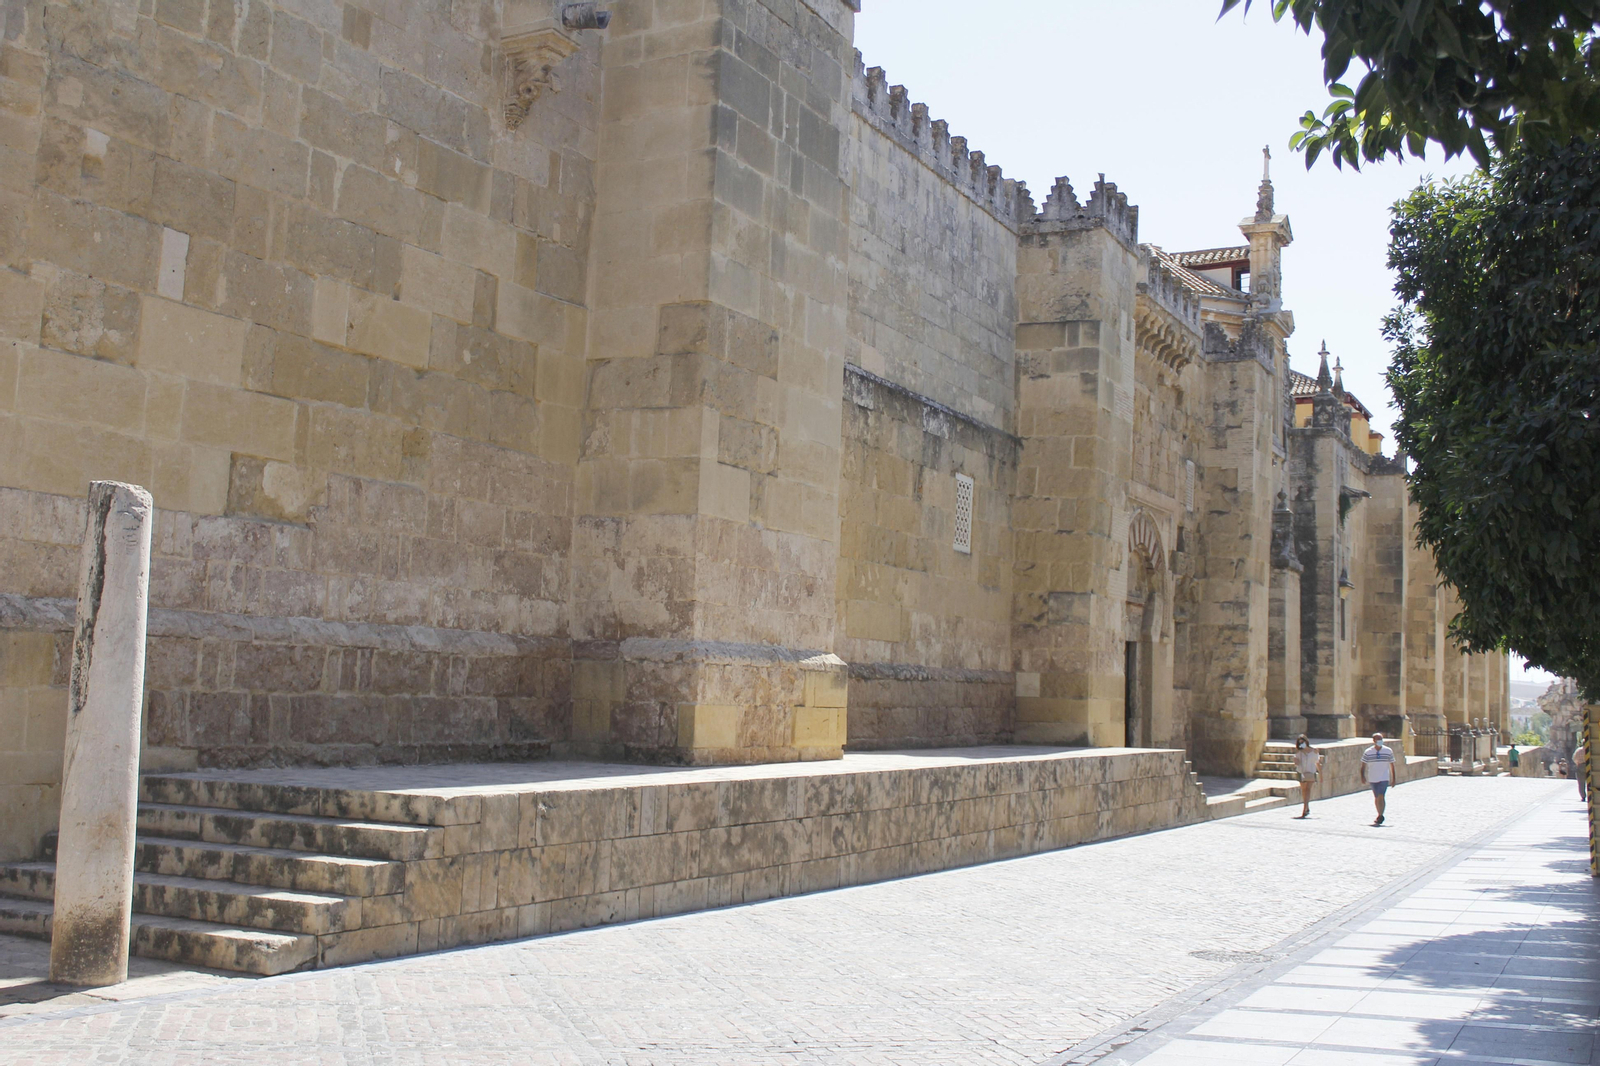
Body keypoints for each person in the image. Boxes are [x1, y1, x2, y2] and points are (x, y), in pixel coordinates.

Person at [1359, 732, 1399, 826]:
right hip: (1373, 777)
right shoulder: (1368, 752)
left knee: (1381, 795)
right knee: (1377, 797)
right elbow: (1363, 765)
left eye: (1381, 739)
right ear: (1374, 741)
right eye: (1378, 739)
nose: (1380, 741)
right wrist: (1362, 776)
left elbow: (1392, 765)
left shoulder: (1388, 751)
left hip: (1384, 777)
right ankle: (1379, 814)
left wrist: (1393, 779)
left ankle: (1381, 815)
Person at [1292, 734, 1323, 819]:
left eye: (1303, 742)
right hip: (1301, 772)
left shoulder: (1314, 751)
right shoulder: (1299, 752)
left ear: (1306, 742)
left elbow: (1317, 763)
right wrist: (1295, 760)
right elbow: (1297, 763)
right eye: (1300, 742)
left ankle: (1305, 808)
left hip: (1311, 772)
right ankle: (1306, 807)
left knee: (1308, 790)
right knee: (1304, 790)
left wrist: (1321, 775)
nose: (1302, 743)